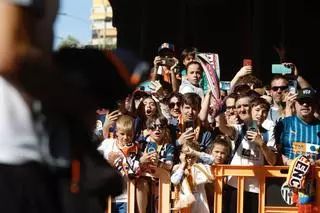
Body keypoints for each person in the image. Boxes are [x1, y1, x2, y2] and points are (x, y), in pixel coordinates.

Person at [219, 97, 277, 213]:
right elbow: (224, 128)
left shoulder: (268, 134)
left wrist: (261, 144)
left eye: (264, 111)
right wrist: (220, 114)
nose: (260, 114)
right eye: (257, 110)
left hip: (256, 189)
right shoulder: (239, 129)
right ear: (251, 110)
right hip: (234, 186)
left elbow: (273, 161)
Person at [98, 115, 141, 213]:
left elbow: (134, 172)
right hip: (107, 196)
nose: (125, 138)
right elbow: (95, 164)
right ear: (116, 132)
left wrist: (139, 160)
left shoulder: (135, 149)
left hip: (125, 197)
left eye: (129, 134)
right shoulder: (107, 144)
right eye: (122, 134)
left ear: (134, 134)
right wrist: (109, 162)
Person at [136, 115, 175, 213]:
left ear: (165, 130)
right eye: (153, 127)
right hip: (145, 178)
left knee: (159, 187)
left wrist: (159, 163)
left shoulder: (169, 146)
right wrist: (142, 160)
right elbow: (131, 163)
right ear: (148, 130)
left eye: (161, 127)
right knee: (141, 183)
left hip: (161, 181)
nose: (157, 129)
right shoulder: (141, 145)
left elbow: (169, 166)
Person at [275, 88, 320, 165]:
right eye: (301, 101)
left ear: (315, 105)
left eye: (309, 102)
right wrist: (289, 162)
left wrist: (316, 163)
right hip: (287, 174)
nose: (305, 104)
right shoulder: (283, 124)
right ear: (295, 103)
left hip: (315, 174)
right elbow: (274, 152)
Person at [171, 141, 214, 213]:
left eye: (193, 157)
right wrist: (183, 164)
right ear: (182, 155)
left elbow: (212, 159)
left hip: (200, 202)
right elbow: (174, 180)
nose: (190, 160)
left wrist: (194, 152)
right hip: (184, 204)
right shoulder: (178, 167)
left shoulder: (199, 167)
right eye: (187, 156)